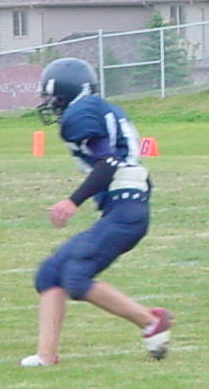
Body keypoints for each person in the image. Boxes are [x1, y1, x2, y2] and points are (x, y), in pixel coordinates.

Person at [20, 58, 173, 367]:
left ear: (70, 93)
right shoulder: (95, 108)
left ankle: (150, 321)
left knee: (75, 277)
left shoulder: (81, 112)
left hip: (126, 208)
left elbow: (108, 162)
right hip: (123, 206)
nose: (50, 104)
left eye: (54, 97)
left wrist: (72, 201)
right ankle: (45, 356)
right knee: (50, 274)